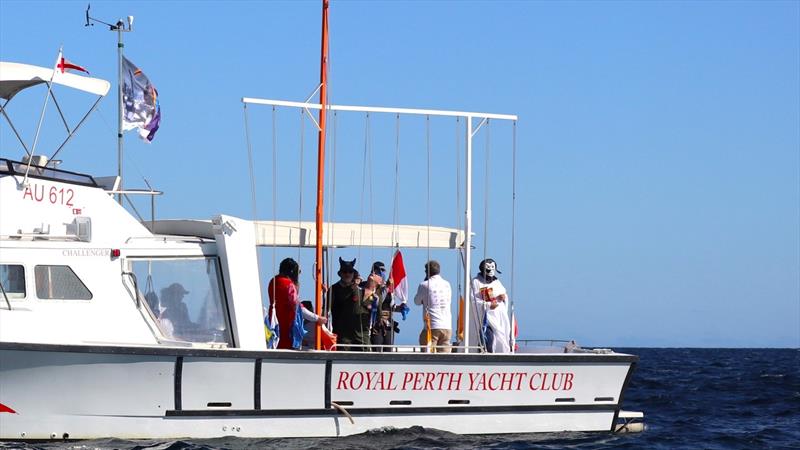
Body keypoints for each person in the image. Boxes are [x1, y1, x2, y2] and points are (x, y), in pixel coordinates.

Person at [267, 258, 327, 350]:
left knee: (276, 343)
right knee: (288, 347)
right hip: (287, 323)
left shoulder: (273, 281)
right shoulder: (288, 284)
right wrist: (317, 318)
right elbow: (298, 307)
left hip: (274, 320)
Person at [469, 258, 512, 353]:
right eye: (488, 267)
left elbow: (504, 295)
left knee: (501, 338)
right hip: (485, 317)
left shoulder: (497, 282)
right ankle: (487, 355)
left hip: (498, 317)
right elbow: (473, 300)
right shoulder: (476, 282)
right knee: (488, 337)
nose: (490, 270)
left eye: (493, 267)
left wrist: (503, 298)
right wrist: (487, 305)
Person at [330, 257, 372, 351]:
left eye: (350, 272)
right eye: (345, 272)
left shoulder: (360, 289)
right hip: (343, 336)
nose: (347, 274)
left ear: (354, 274)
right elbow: (326, 309)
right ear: (340, 273)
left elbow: (368, 305)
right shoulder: (334, 289)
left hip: (360, 335)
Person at [413, 260, 452, 353]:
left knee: (428, 355)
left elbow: (417, 301)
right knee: (444, 357)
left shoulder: (425, 285)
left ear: (427, 272)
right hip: (447, 325)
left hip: (432, 326)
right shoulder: (447, 284)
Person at [365, 261, 400, 352]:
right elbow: (375, 300)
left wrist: (400, 308)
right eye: (379, 270)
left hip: (388, 324)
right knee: (376, 351)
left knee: (388, 351)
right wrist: (385, 287)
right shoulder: (369, 286)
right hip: (375, 324)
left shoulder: (389, 288)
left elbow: (391, 306)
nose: (381, 273)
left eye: (383, 270)